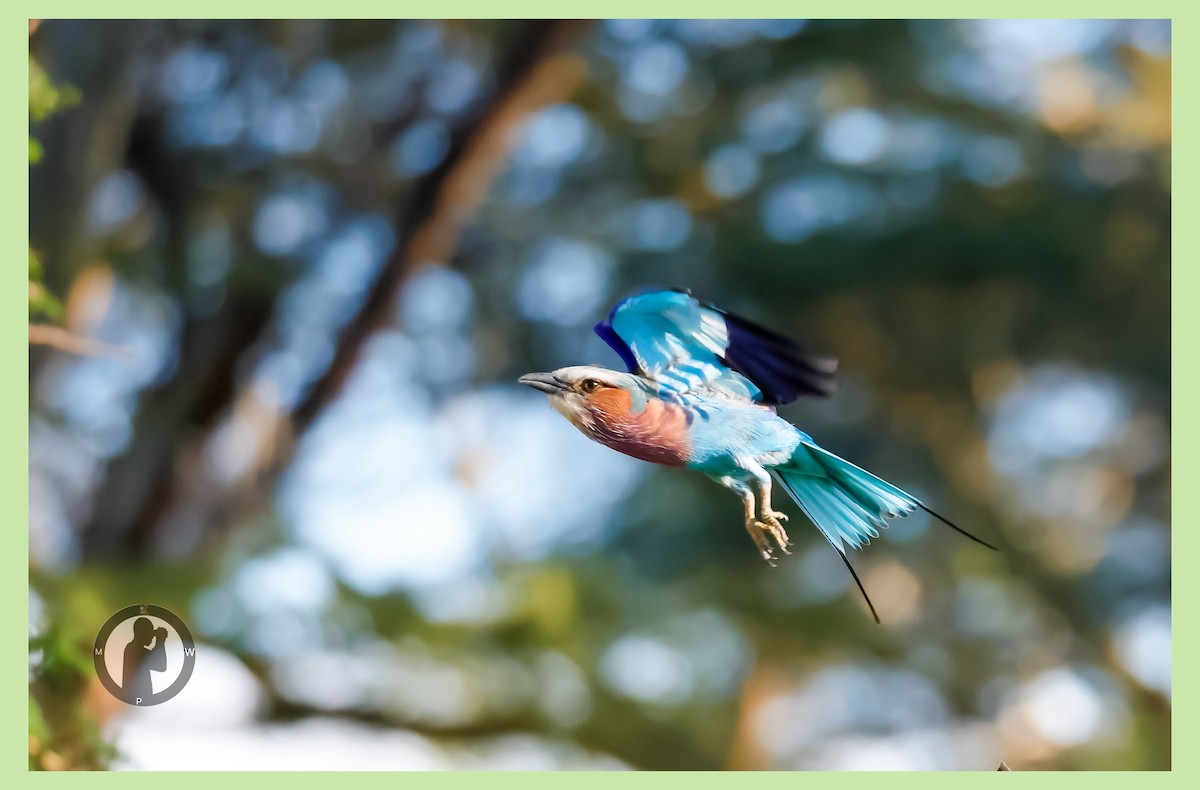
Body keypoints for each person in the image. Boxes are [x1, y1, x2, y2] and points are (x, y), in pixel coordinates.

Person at [121, 617, 167, 702]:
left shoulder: (135, 648)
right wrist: (160, 642)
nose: (152, 637)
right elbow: (160, 666)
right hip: (134, 698)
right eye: (149, 632)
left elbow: (161, 666)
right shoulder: (133, 648)